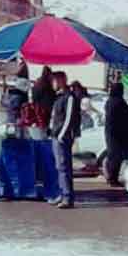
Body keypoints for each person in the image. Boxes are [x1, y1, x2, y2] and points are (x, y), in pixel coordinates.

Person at [48, 70, 80, 209]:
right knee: (59, 167)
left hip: (63, 137)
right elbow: (55, 116)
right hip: (55, 135)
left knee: (64, 167)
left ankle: (67, 197)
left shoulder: (69, 97)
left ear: (61, 81)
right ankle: (62, 194)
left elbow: (69, 118)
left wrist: (62, 134)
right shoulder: (58, 97)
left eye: (54, 80)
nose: (52, 83)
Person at [103, 81, 128, 186]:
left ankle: (112, 178)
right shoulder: (118, 102)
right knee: (116, 158)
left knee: (114, 157)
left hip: (112, 133)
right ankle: (112, 178)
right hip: (117, 134)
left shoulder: (110, 101)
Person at [30, 65, 56, 130]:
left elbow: (34, 97)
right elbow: (51, 98)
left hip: (39, 110)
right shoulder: (46, 85)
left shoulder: (38, 83)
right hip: (45, 110)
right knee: (45, 127)